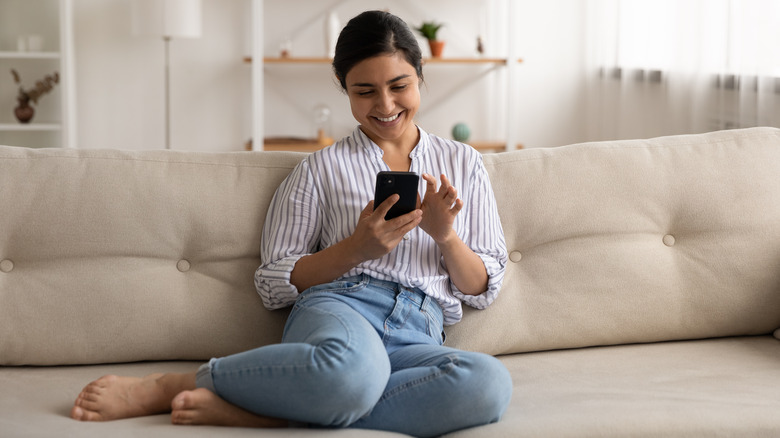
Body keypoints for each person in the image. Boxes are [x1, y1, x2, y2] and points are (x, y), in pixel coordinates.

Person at [70, 10, 511, 437]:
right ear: (343, 88)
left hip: (421, 327)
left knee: (488, 384)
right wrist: (356, 249)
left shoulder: (464, 162)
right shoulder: (318, 170)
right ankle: (172, 386)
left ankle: (271, 416)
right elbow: (273, 282)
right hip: (343, 310)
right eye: (364, 91)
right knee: (352, 373)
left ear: (420, 74)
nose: (385, 105)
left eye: (400, 85)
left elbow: (481, 287)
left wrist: (446, 236)